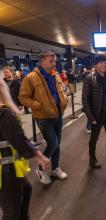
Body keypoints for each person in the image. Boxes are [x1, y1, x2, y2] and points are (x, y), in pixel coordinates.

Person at [0, 78, 51, 220]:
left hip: (8, 170)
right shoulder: (4, 114)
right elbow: (18, 139)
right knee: (11, 212)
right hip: (6, 171)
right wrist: (39, 155)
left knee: (26, 190)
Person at [19, 51, 68, 185]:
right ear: (42, 62)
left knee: (57, 144)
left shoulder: (55, 75)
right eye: (51, 61)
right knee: (53, 143)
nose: (54, 63)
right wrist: (38, 105)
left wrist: (64, 100)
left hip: (58, 114)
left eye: (55, 61)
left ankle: (55, 167)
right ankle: (41, 169)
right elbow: (23, 97)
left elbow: (61, 90)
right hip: (44, 117)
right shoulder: (31, 77)